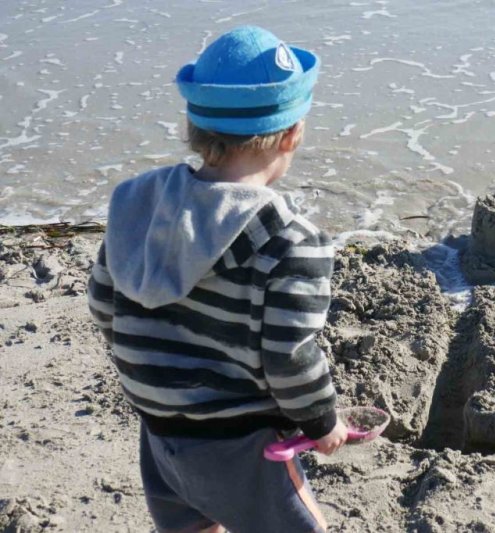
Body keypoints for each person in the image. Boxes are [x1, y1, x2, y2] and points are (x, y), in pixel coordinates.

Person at [87, 26, 346, 533]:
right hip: (240, 445)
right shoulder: (291, 242)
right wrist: (322, 421)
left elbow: (102, 303)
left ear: (194, 127)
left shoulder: (139, 207)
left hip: (160, 433)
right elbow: (288, 356)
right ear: (293, 133)